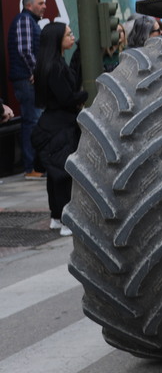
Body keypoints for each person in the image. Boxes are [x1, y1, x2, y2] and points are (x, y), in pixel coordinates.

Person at [30, 23, 85, 236]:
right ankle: (64, 220)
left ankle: (56, 217)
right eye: (69, 34)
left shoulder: (49, 64)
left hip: (50, 124)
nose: (72, 36)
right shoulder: (54, 66)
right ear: (57, 40)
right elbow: (66, 97)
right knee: (62, 175)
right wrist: (84, 96)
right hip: (59, 126)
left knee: (55, 175)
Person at [7, 0, 45, 180]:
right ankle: (30, 167)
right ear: (29, 6)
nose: (44, 6)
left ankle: (33, 166)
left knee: (33, 121)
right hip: (26, 80)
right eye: (40, 3)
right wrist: (35, 71)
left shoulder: (29, 21)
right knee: (31, 122)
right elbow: (24, 49)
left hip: (25, 79)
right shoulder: (24, 20)